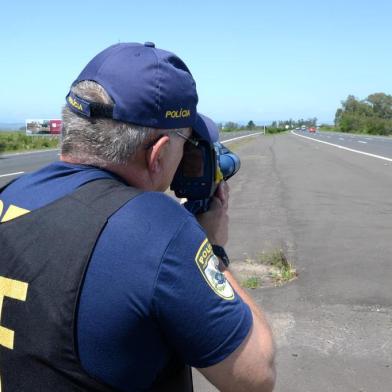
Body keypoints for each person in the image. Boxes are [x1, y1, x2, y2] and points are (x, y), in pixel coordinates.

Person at [0, 42, 275, 391]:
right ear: (157, 154)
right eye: (186, 143)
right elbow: (257, 375)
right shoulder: (155, 228)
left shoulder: (11, 193)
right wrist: (212, 252)